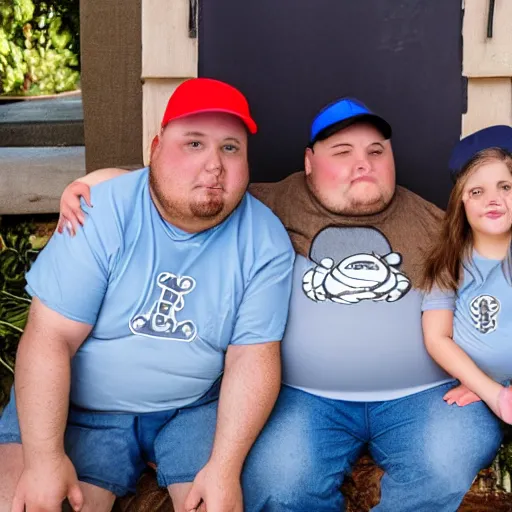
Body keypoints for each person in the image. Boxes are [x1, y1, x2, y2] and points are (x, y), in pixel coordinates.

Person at [57, 97, 504, 511]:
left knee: (446, 463)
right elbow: (176, 187)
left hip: (423, 396)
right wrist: (94, 182)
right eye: (342, 152)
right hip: (304, 398)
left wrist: (492, 376)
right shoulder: (266, 203)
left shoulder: (438, 221)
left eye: (375, 152)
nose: (362, 164)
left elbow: (496, 294)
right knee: (277, 482)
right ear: (310, 163)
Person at [0, 77, 295, 512]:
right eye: (194, 144)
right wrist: (44, 459)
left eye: (230, 148)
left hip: (195, 408)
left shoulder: (264, 238)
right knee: (21, 500)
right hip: (80, 405)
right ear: (155, 148)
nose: (214, 164)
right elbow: (49, 338)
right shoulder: (99, 211)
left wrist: (224, 466)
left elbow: (252, 356)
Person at [421, 125, 512, 424]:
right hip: (474, 389)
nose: (494, 199)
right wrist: (491, 392)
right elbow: (437, 337)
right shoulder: (449, 261)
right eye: (477, 191)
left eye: (506, 186)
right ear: (462, 201)